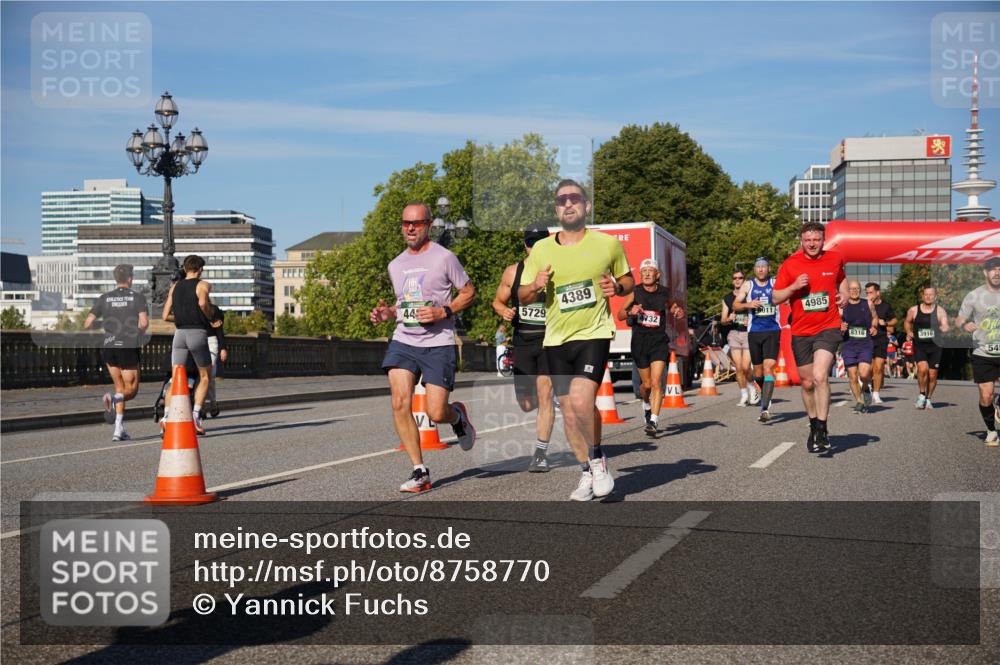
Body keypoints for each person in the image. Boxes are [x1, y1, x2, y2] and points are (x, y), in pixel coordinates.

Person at [519, 179, 633, 501]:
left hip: (593, 333)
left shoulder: (607, 245)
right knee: (569, 412)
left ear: (586, 206)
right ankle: (585, 471)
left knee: (583, 402)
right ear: (556, 208)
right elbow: (522, 295)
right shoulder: (541, 250)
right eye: (561, 200)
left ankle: (597, 460)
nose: (568, 204)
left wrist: (618, 289)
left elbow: (628, 281)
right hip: (556, 339)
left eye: (574, 199)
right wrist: (535, 286)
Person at [371, 201, 477, 493]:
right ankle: (419, 470)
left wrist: (444, 311)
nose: (410, 228)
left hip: (438, 343)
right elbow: (404, 304)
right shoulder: (396, 264)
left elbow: (469, 293)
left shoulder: (445, 258)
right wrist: (388, 314)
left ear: (429, 225)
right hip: (404, 340)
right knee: (399, 402)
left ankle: (457, 416)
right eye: (406, 223)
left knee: (435, 412)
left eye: (416, 223)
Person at [772, 221, 848, 453]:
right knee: (806, 383)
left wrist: (844, 293)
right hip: (801, 330)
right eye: (808, 240)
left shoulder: (834, 259)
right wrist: (794, 286)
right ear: (801, 241)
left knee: (819, 376)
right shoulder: (791, 264)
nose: (812, 243)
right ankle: (814, 425)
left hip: (828, 326)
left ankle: (823, 428)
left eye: (816, 239)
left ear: (823, 240)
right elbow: (776, 297)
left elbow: (842, 279)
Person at [492, 222, 556, 471]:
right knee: (527, 404)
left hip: (550, 340)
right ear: (525, 245)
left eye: (539, 243)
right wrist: (504, 310)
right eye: (531, 243)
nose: (534, 248)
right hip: (523, 341)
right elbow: (497, 301)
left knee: (545, 395)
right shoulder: (513, 272)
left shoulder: (559, 270)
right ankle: (546, 405)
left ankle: (541, 453)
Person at [617, 258, 684, 436]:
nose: (647, 273)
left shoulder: (664, 292)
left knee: (656, 382)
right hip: (640, 341)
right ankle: (646, 404)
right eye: (644, 271)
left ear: (657, 275)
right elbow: (620, 314)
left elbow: (672, 307)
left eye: (650, 270)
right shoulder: (635, 292)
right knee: (646, 385)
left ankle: (653, 420)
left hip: (658, 342)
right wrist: (631, 312)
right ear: (640, 274)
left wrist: (677, 311)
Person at [84, 264, 149, 442]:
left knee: (120, 386)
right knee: (132, 390)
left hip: (109, 345)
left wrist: (108, 327)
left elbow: (87, 323)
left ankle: (118, 429)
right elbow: (143, 323)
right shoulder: (137, 297)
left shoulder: (104, 298)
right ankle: (112, 399)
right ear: (130, 278)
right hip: (128, 345)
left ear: (116, 279)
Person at [163, 255, 217, 435]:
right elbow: (202, 303)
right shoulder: (203, 285)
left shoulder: (175, 287)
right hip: (197, 333)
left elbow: (165, 316)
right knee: (205, 376)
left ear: (185, 269)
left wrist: (183, 317)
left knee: (176, 378)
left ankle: (166, 416)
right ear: (200, 269)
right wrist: (210, 317)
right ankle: (195, 416)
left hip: (179, 335)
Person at [954, 256, 1000, 446]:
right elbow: (958, 320)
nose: (997, 272)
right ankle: (991, 431)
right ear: (985, 272)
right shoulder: (974, 295)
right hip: (983, 353)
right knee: (986, 395)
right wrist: (965, 325)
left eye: (999, 269)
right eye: (993, 269)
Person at [734, 257, 781, 423]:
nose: (761, 269)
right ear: (754, 270)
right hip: (754, 332)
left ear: (768, 269)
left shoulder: (776, 283)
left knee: (769, 368)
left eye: (764, 267)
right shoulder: (748, 285)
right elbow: (735, 305)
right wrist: (748, 305)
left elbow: (788, 295)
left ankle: (765, 408)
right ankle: (763, 391)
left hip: (773, 331)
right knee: (758, 373)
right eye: (758, 267)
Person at [904, 285, 950, 409]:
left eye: (931, 294)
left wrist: (943, 328)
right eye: (926, 294)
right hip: (920, 345)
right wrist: (908, 332)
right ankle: (922, 394)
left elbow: (945, 324)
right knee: (922, 369)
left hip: (935, 346)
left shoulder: (940, 311)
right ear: (922, 296)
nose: (928, 296)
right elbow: (907, 322)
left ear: (935, 296)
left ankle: (929, 399)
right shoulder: (914, 310)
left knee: (932, 374)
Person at [839, 280, 879, 413]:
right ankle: (859, 401)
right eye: (851, 289)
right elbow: (835, 322)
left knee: (864, 373)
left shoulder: (867, 303)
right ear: (847, 291)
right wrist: (840, 326)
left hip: (865, 344)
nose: (854, 291)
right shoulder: (842, 306)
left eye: (857, 289)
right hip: (849, 344)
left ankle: (866, 387)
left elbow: (875, 317)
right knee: (852, 375)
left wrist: (874, 326)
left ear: (860, 290)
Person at [721, 270, 757, 406]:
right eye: (735, 278)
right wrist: (729, 319)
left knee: (746, 366)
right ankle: (744, 395)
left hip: (748, 333)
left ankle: (752, 388)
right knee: (739, 367)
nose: (737, 280)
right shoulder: (727, 298)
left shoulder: (750, 296)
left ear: (744, 280)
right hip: (734, 334)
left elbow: (758, 312)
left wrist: (752, 320)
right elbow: (722, 320)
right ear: (732, 280)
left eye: (740, 278)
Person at [864, 282, 897, 404]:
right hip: (867, 340)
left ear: (878, 292)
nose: (868, 295)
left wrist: (886, 323)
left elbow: (895, 320)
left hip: (881, 339)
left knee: (878, 368)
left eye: (871, 292)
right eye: (866, 293)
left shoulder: (886, 306)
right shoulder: (864, 305)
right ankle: (867, 388)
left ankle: (876, 394)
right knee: (869, 369)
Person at [206, 304, 228, 417]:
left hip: (211, 342)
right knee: (199, 375)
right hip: (196, 340)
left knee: (210, 374)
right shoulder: (193, 308)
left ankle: (212, 402)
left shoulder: (213, 309)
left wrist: (223, 348)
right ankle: (200, 406)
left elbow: (220, 331)